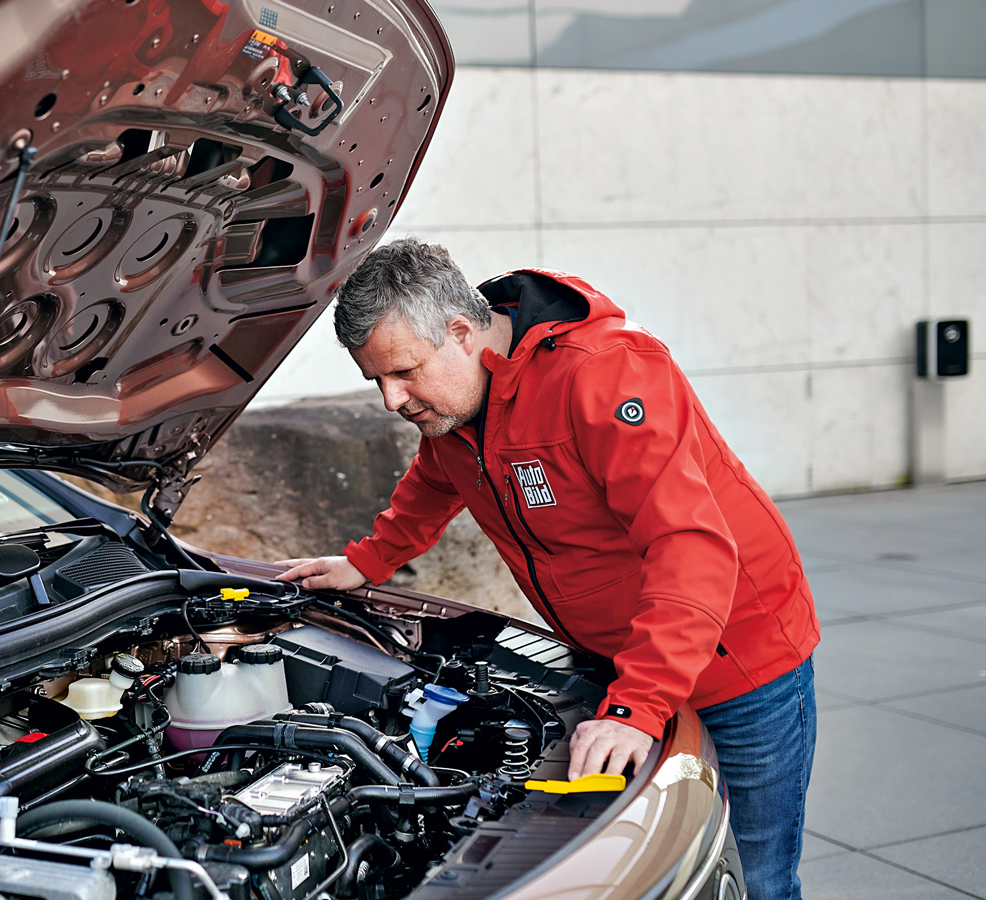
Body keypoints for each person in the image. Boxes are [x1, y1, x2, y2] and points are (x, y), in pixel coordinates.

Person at [276, 238, 819, 900]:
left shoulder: (604, 373)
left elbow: (688, 546)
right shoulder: (459, 403)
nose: (392, 400)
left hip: (739, 663)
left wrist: (635, 706)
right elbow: (434, 481)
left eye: (404, 372)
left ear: (460, 331)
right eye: (377, 381)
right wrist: (366, 562)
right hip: (623, 663)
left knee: (758, 880)